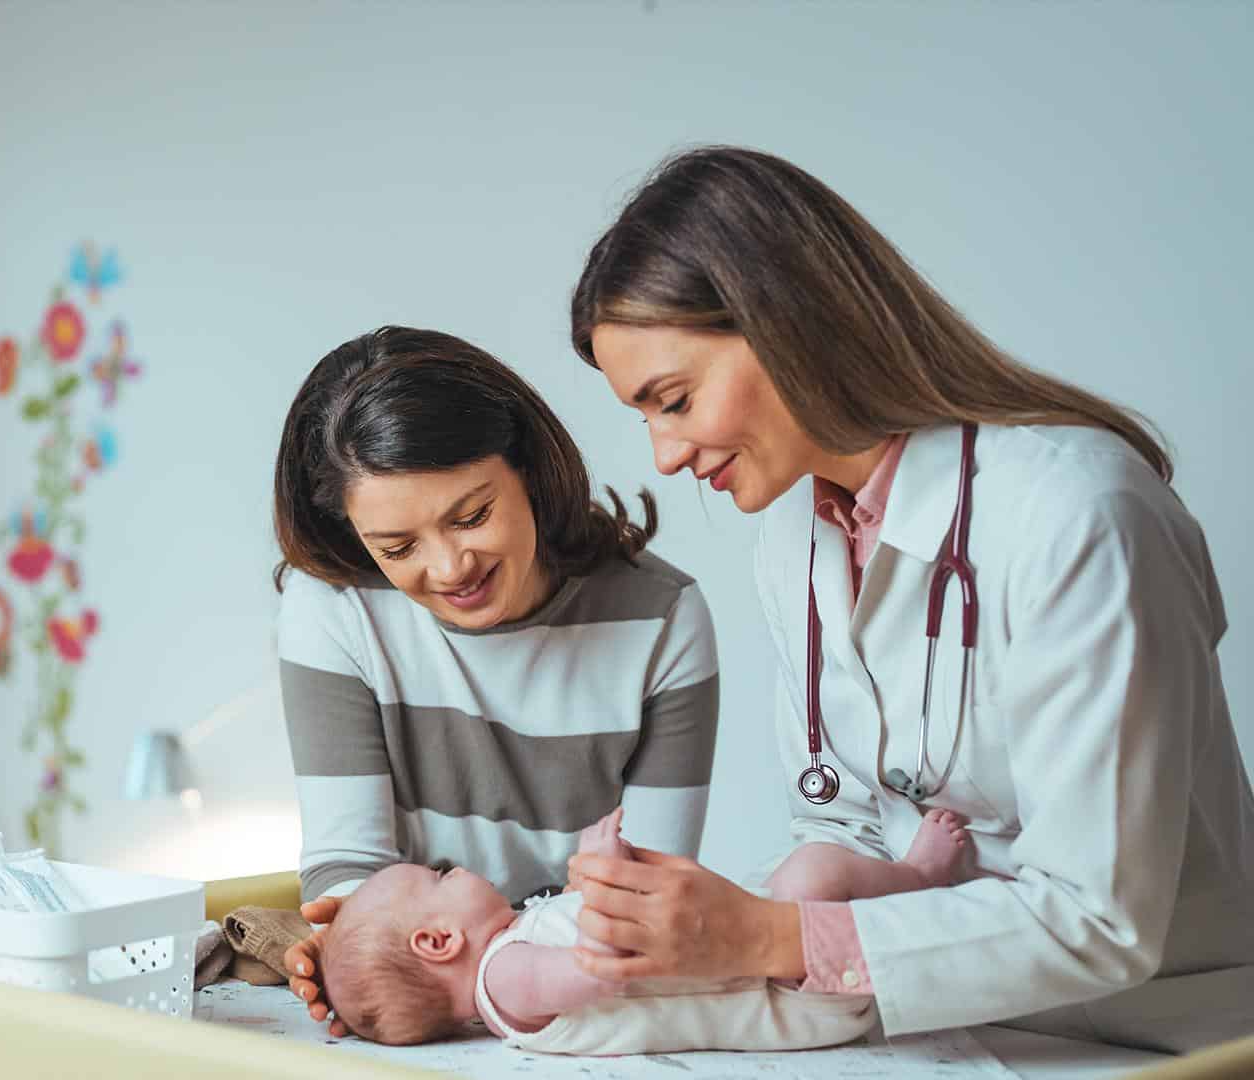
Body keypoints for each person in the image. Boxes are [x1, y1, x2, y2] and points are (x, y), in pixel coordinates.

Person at [565, 145, 1254, 1054]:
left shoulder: (1079, 511)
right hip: (936, 1022)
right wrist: (708, 922)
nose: (665, 456)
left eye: (676, 399)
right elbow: (846, 819)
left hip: (1160, 1036)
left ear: (785, 323)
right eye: (644, 417)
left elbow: (1102, 915)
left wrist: (768, 936)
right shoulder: (797, 535)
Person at [272, 326, 721, 1035]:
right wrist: (360, 958)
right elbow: (349, 864)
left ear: (529, 471)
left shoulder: (660, 619)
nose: (451, 568)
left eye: (472, 515)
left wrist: (527, 969)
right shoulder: (334, 610)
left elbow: (648, 891)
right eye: (398, 548)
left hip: (591, 995)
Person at [318, 804, 970, 1053]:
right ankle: (919, 877)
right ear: (439, 941)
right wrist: (603, 880)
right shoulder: (504, 981)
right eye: (441, 877)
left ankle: (911, 898)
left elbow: (592, 946)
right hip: (796, 993)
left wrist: (602, 879)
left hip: (778, 965)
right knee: (811, 874)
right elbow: (595, 969)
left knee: (796, 876)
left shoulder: (522, 943)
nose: (456, 871)